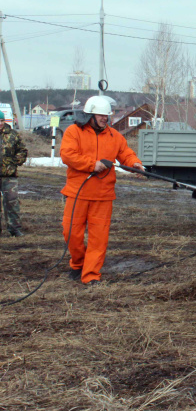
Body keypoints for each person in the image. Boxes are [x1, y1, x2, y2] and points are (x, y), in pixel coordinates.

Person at [60, 96, 144, 286]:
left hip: (103, 196)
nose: (105, 119)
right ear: (90, 114)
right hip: (77, 193)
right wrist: (92, 165)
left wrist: (135, 164)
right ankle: (78, 263)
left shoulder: (114, 136)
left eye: (107, 115)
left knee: (99, 238)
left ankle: (91, 275)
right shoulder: (74, 132)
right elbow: (68, 154)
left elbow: (126, 154)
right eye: (101, 115)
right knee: (71, 233)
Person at [0, 111, 28, 237]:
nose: (0, 124)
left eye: (1, 121)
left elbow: (22, 150)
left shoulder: (13, 135)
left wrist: (15, 162)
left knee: (12, 201)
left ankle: (14, 228)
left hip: (9, 176)